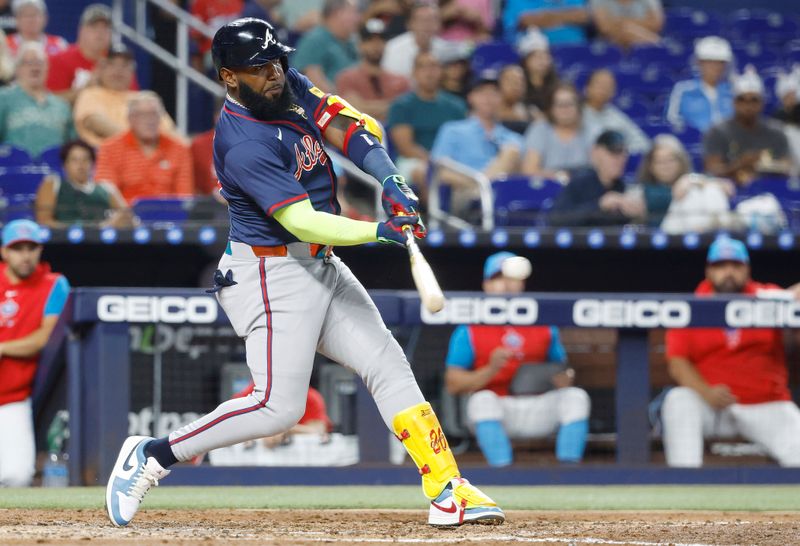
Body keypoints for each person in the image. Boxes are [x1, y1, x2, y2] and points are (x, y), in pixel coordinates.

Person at [105, 17, 503, 528]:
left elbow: (353, 126)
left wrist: (391, 178)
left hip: (318, 263)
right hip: (270, 273)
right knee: (277, 407)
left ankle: (448, 489)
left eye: (276, 61)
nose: (274, 72)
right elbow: (300, 221)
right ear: (229, 77)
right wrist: (380, 231)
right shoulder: (242, 141)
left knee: (387, 363)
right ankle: (154, 454)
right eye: (259, 67)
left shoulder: (281, 82)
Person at [662, 237, 800, 467]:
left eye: (736, 266)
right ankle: (684, 483)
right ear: (709, 270)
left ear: (747, 269)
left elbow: (794, 296)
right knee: (678, 400)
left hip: (766, 404)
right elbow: (678, 362)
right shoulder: (691, 306)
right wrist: (706, 392)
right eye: (721, 266)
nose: (728, 272)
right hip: (713, 406)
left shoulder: (766, 297)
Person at [444, 251, 590, 466]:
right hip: (500, 409)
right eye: (498, 278)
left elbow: (563, 367)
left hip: (538, 406)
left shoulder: (542, 323)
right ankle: (503, 472)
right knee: (481, 401)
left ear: (522, 284)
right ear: (486, 285)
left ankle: (567, 473)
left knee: (575, 397)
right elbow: (453, 384)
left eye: (511, 279)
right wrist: (491, 369)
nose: (505, 285)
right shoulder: (470, 328)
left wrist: (566, 378)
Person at [0, 219, 70, 487]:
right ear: (5, 252)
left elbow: (44, 337)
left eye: (31, 247)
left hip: (12, 398)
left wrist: (3, 348)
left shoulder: (53, 284)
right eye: (18, 248)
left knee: (17, 476)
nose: (25, 254)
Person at [430, 75, 524, 201]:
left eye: (494, 93)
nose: (488, 98)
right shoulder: (453, 130)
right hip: (462, 193)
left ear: (501, 98)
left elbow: (523, 175)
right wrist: (477, 182)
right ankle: (482, 194)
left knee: (512, 152)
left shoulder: (513, 138)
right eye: (481, 92)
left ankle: (483, 194)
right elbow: (441, 172)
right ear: (470, 97)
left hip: (503, 197)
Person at [386, 51, 467, 190]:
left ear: (441, 72)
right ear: (414, 73)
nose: (429, 72)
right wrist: (435, 161)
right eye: (423, 67)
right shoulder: (401, 106)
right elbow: (406, 148)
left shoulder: (456, 106)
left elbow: (464, 141)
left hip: (451, 161)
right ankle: (435, 211)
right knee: (424, 172)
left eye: (434, 67)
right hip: (413, 161)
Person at [94, 91, 194, 203]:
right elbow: (105, 194)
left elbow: (185, 197)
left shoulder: (179, 149)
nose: (149, 120)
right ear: (130, 119)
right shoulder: (109, 149)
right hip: (125, 216)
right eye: (143, 115)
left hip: (169, 217)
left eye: (154, 114)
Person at [73, 44, 176, 148]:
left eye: (125, 65)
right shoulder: (90, 94)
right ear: (101, 70)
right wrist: (139, 143)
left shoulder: (145, 98)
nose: (118, 70)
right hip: (107, 156)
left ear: (132, 72)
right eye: (112, 64)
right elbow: (95, 123)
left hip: (149, 156)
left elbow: (169, 131)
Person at [703, 66, 791, 187]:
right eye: (742, 100)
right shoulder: (717, 131)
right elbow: (711, 170)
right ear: (734, 102)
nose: (748, 106)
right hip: (730, 189)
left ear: (761, 103)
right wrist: (740, 163)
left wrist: (761, 164)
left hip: (770, 188)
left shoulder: (776, 131)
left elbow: (786, 167)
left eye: (754, 100)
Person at [637, 134, 734, 232]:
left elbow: (728, 188)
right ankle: (713, 228)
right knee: (692, 193)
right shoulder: (647, 190)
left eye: (670, 160)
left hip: (698, 226)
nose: (665, 166)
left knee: (711, 189)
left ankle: (720, 227)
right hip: (667, 235)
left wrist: (691, 180)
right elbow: (676, 193)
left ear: (681, 161)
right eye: (659, 162)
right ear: (650, 166)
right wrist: (693, 182)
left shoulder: (689, 181)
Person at [549, 129, 643, 226]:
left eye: (624, 154)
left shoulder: (621, 186)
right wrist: (599, 205)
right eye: (614, 152)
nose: (621, 159)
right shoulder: (579, 183)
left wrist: (635, 213)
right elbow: (557, 220)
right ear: (596, 152)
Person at [34, 140, 133, 228]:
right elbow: (44, 222)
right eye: (74, 160)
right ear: (65, 165)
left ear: (93, 164)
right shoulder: (53, 183)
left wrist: (114, 221)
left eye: (86, 160)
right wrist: (88, 230)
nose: (81, 165)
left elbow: (129, 218)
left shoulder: (106, 188)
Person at [0, 41, 73, 159]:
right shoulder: (4, 98)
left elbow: (72, 149)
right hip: (14, 171)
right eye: (28, 62)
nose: (35, 67)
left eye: (39, 62)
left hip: (54, 172)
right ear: (17, 69)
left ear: (47, 68)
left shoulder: (62, 106)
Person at [334, 18, 411, 124]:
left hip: (393, 137)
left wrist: (367, 106)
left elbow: (405, 112)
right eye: (370, 40)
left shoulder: (400, 80)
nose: (376, 45)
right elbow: (354, 112)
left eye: (381, 40)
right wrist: (391, 105)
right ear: (360, 45)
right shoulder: (346, 78)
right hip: (360, 136)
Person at [522, 82, 597, 180]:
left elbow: (598, 171)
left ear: (578, 106)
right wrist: (559, 176)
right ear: (551, 109)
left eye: (569, 104)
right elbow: (529, 171)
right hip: (548, 187)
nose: (565, 109)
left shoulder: (591, 131)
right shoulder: (539, 130)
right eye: (559, 105)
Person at [45, 3, 115, 103]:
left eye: (106, 27)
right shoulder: (60, 60)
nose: (100, 32)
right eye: (94, 26)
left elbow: (131, 96)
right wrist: (85, 90)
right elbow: (49, 102)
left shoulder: (118, 63)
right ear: (81, 30)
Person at [666, 36, 734, 133]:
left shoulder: (734, 91)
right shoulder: (683, 90)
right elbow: (671, 120)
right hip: (692, 143)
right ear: (699, 63)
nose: (715, 67)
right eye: (709, 62)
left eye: (719, 63)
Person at [291, 0, 360, 93]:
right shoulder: (315, 40)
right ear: (337, 13)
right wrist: (345, 103)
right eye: (353, 12)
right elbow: (314, 82)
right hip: (333, 104)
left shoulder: (351, 44)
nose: (358, 18)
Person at [582, 68, 649, 154]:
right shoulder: (575, 114)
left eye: (609, 86)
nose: (604, 89)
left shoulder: (616, 115)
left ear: (614, 92)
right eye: (600, 84)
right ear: (587, 88)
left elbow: (643, 144)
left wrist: (618, 152)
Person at [381, 2, 448, 79]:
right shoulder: (392, 48)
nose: (426, 25)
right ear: (409, 24)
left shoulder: (446, 49)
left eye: (431, 19)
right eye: (421, 20)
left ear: (439, 24)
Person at [503, 0, 589, 46]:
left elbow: (582, 15)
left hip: (575, 50)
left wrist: (544, 18)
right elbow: (526, 20)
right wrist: (566, 16)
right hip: (534, 53)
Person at [517, 28, 559, 118]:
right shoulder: (519, 84)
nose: (542, 61)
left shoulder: (558, 85)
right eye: (536, 56)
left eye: (545, 56)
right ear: (526, 61)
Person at [589, 0, 663, 49]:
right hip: (611, 44)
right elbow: (605, 27)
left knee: (627, 31)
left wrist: (626, 25)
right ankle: (658, 47)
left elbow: (656, 24)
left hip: (644, 44)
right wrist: (631, 29)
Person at [497, 63, 533, 134]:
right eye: (511, 80)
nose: (517, 85)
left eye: (521, 81)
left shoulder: (532, 112)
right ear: (500, 83)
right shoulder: (488, 111)